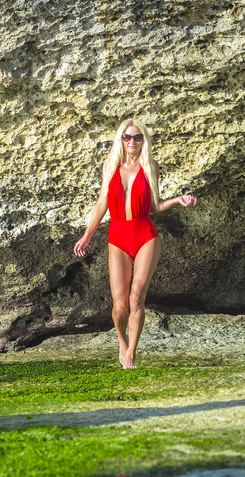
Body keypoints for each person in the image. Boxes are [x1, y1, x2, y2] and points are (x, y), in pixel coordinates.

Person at [73, 119, 197, 369]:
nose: (132, 142)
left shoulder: (151, 166)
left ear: (144, 139)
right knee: (119, 307)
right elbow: (101, 204)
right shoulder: (110, 165)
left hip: (145, 236)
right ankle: (122, 340)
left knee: (136, 298)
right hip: (117, 237)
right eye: (127, 137)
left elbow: (155, 206)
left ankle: (131, 352)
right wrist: (87, 235)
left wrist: (177, 200)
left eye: (137, 137)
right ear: (120, 139)